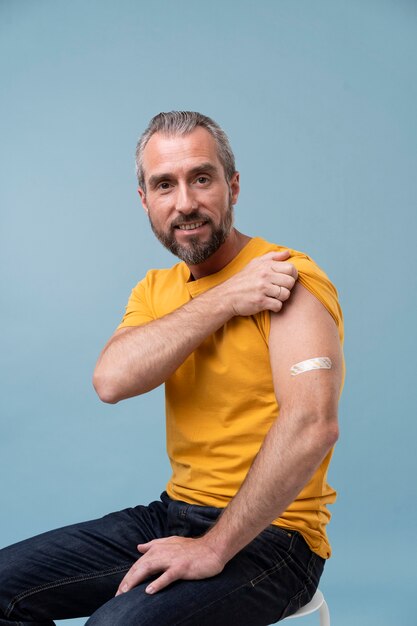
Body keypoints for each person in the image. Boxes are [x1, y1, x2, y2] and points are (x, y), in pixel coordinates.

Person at [0, 111, 344, 625]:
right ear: (145, 200)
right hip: (175, 513)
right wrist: (226, 297)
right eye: (165, 185)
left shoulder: (285, 277)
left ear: (232, 186)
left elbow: (312, 425)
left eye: (201, 179)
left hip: (276, 538)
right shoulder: (157, 291)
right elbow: (111, 380)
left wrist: (213, 548)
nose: (185, 203)